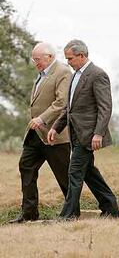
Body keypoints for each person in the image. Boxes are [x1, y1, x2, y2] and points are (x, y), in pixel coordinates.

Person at [47, 39, 119, 219]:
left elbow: (105, 107)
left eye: (70, 58)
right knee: (89, 173)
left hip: (88, 135)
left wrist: (98, 133)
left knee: (74, 171)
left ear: (81, 56)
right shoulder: (74, 76)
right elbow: (69, 108)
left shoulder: (97, 75)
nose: (68, 62)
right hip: (75, 134)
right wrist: (56, 128)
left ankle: (68, 215)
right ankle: (110, 208)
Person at [9, 42, 72, 224]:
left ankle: (72, 212)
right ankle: (29, 213)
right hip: (35, 135)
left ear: (49, 57)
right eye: (33, 59)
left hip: (55, 134)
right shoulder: (41, 74)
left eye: (37, 59)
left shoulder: (62, 72)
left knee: (63, 175)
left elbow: (62, 102)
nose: (35, 62)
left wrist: (42, 119)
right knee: (26, 166)